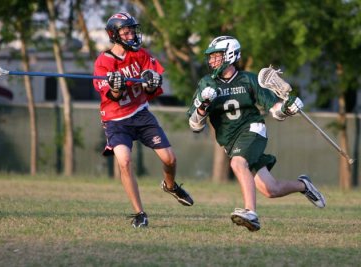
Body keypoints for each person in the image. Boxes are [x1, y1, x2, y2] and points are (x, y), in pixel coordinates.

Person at [187, 36, 325, 232]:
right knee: (270, 189)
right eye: (211, 57)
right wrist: (203, 105)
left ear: (230, 55)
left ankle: (251, 212)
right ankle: (304, 185)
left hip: (252, 129)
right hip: (231, 142)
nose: (212, 61)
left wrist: (287, 108)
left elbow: (275, 110)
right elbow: (194, 125)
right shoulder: (207, 83)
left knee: (237, 163)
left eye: (216, 56)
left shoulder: (248, 79)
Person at [92, 12, 193, 228]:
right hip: (116, 120)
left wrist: (151, 82)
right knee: (125, 161)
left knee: (170, 159)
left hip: (141, 114)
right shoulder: (103, 62)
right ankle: (140, 213)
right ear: (114, 35)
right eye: (126, 32)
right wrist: (117, 86)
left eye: (132, 31)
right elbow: (113, 97)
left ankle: (171, 186)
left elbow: (152, 88)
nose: (131, 36)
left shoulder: (141, 55)